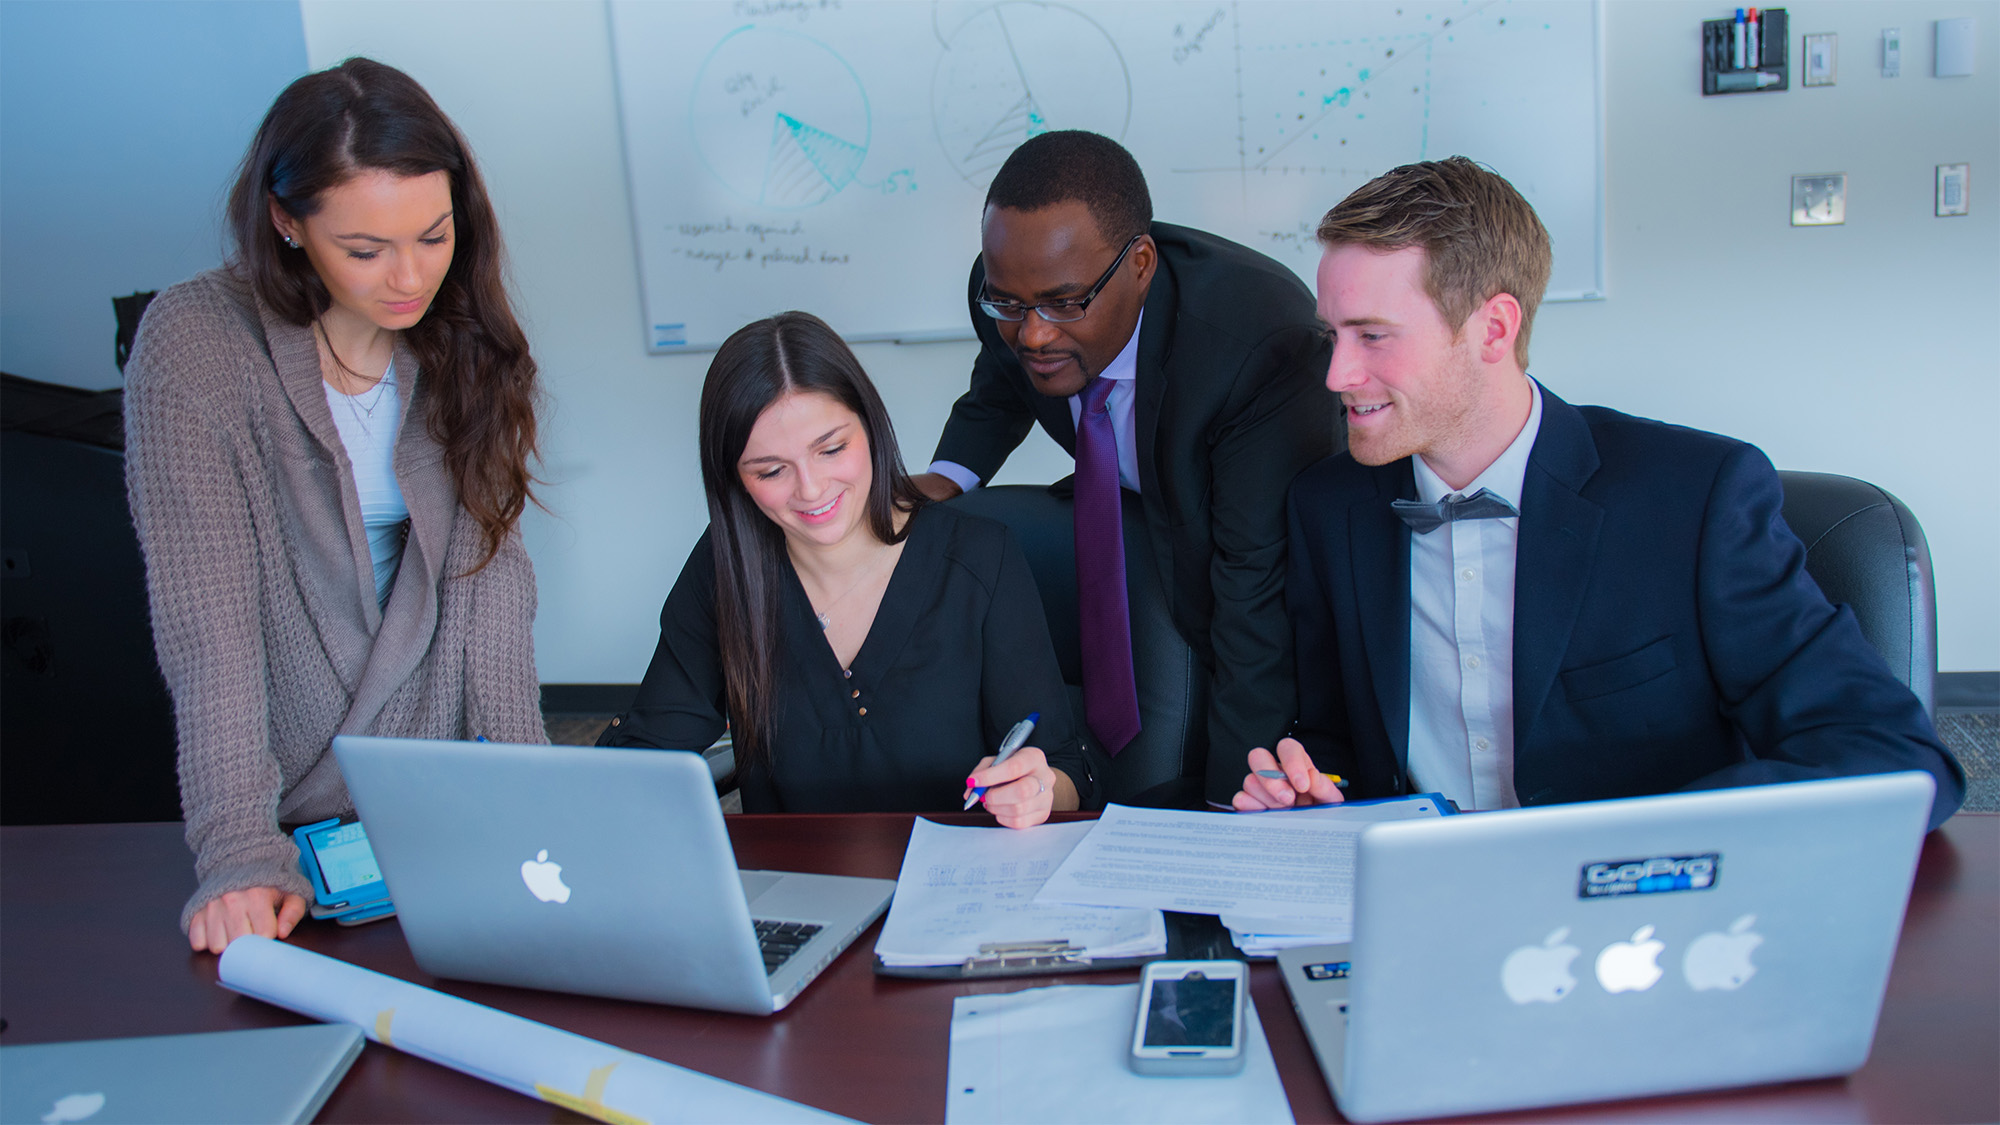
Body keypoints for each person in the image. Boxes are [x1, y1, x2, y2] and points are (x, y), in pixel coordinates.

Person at [1234, 157, 1964, 831]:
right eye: (1334, 335)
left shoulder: (1696, 497)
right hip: (1419, 898)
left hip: (1637, 915)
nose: (1336, 376)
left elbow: (1892, 755)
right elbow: (1335, 737)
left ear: (1493, 327)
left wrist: (1644, 841)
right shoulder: (1329, 507)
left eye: (1373, 336)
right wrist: (1309, 785)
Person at [124, 58, 548, 954]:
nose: (409, 276)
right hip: (289, 813)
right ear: (285, 222)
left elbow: (493, 584)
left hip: (446, 802)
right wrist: (237, 844)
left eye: (434, 236)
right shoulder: (194, 342)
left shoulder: (461, 337)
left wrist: (533, 802)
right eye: (365, 250)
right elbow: (209, 629)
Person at [912, 131, 1338, 805]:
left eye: (1063, 302)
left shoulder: (1258, 344)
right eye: (1011, 305)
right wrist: (944, 480)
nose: (1034, 333)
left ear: (1141, 264)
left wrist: (1235, 810)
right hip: (1136, 522)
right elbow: (1001, 383)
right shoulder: (1005, 286)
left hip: (1251, 556)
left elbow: (1255, 596)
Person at [600, 312, 1096, 826]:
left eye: (831, 448)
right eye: (771, 470)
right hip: (798, 893)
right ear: (735, 481)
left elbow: (1063, 771)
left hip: (958, 886)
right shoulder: (726, 569)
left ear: (871, 428)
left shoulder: (978, 557)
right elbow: (651, 746)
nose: (811, 490)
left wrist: (1038, 790)